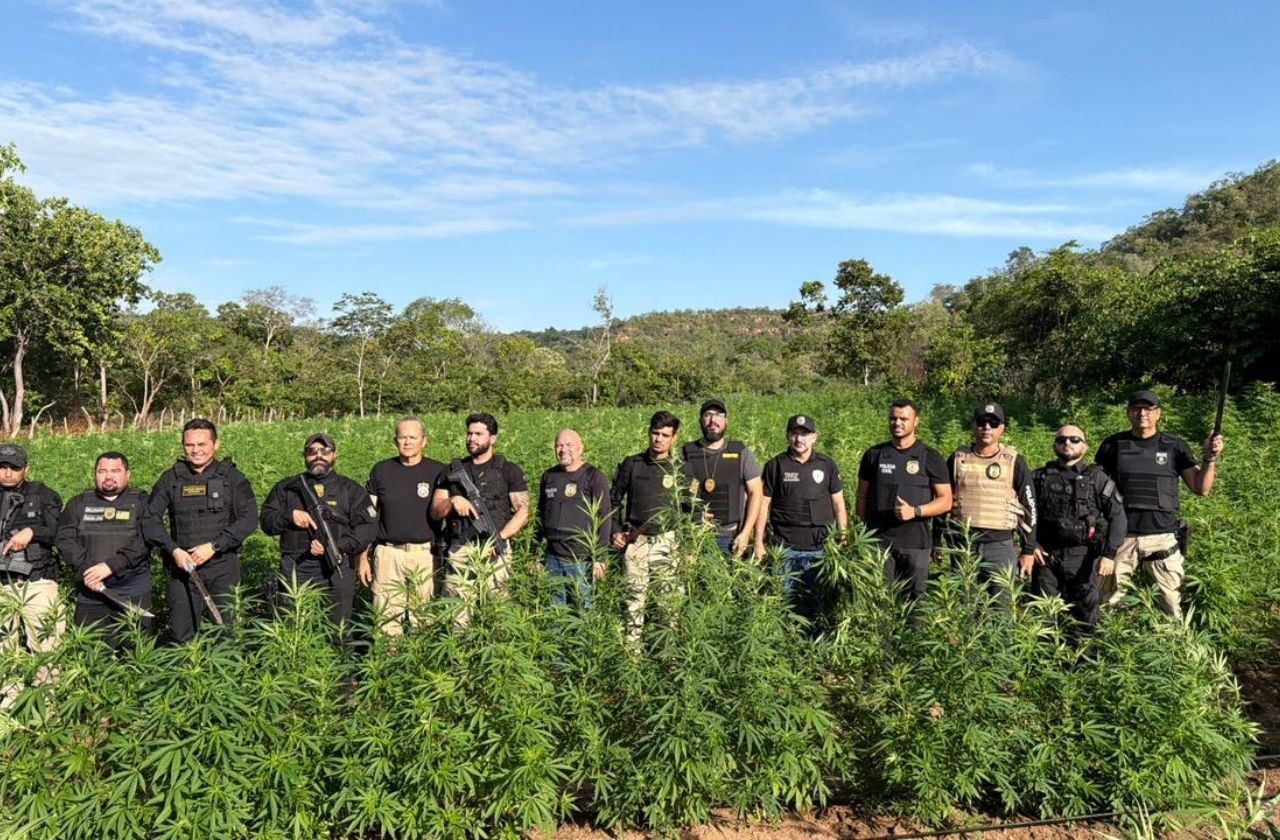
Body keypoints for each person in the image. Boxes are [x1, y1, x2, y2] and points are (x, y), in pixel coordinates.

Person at [1095, 390, 1223, 618]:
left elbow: (1201, 488)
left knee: (1171, 607)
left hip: (1162, 537)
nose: (1142, 413)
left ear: (1158, 414)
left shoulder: (1175, 446)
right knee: (1110, 605)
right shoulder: (1112, 445)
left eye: (1148, 409)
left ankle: (1174, 649)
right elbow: (1097, 491)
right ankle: (1112, 649)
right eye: (1136, 408)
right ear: (1128, 413)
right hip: (1121, 536)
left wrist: (1210, 458)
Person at [144, 418, 258, 642]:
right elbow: (150, 519)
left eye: (202, 444)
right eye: (189, 445)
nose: (195, 450)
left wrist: (215, 546)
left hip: (222, 566)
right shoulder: (171, 478)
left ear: (216, 445)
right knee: (181, 634)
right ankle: (188, 676)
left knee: (228, 633)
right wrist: (173, 550)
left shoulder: (232, 478)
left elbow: (249, 519)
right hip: (183, 568)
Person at [260, 432, 378, 628]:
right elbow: (266, 522)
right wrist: (289, 515)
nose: (318, 455)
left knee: (338, 628)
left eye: (325, 451)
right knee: (294, 626)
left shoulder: (350, 489)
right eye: (312, 451)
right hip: (297, 566)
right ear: (304, 456)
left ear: (334, 455)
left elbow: (367, 527)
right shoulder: (287, 488)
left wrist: (337, 546)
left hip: (338, 566)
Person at [1027, 425, 1126, 633]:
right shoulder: (1039, 478)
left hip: (1083, 560)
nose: (1067, 444)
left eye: (1074, 440)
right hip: (1046, 558)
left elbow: (1117, 517)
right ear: (1054, 445)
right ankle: (1046, 665)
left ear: (1085, 447)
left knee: (1086, 620)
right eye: (1061, 440)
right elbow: (1024, 513)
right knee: (1044, 620)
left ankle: (1085, 664)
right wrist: (1030, 545)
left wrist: (1109, 554)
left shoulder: (1097, 479)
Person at [431, 413, 529, 619]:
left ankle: (498, 651)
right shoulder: (453, 470)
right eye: (469, 433)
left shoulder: (509, 471)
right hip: (461, 549)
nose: (472, 438)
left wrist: (500, 538)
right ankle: (461, 650)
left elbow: (522, 512)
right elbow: (435, 511)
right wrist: (452, 501)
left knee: (498, 612)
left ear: (493, 438)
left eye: (478, 434)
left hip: (494, 550)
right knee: (458, 612)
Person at [755, 414, 848, 626]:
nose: (799, 439)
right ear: (788, 436)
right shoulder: (775, 465)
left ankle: (814, 649)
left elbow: (839, 505)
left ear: (814, 437)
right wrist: (759, 542)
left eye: (804, 434)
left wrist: (843, 536)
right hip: (784, 549)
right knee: (781, 603)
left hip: (820, 547)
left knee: (816, 603)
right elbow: (763, 505)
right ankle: (783, 648)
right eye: (794, 434)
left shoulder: (826, 465)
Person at [611, 410, 696, 642]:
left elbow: (692, 511)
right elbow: (613, 499)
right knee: (633, 602)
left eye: (665, 435)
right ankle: (632, 656)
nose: (658, 439)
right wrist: (616, 530)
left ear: (674, 438)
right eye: (655, 433)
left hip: (667, 542)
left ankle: (668, 658)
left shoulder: (682, 469)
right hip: (635, 541)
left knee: (668, 604)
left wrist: (688, 549)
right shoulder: (632, 464)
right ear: (648, 433)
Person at [56, 452, 156, 645]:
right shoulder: (79, 503)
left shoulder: (142, 502)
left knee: (135, 651)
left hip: (132, 591)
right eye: (102, 471)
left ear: (128, 474)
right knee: (92, 653)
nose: (108, 476)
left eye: (115, 471)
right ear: (94, 474)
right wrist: (87, 569)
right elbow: (64, 538)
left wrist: (111, 566)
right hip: (91, 593)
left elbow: (146, 539)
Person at [856, 399, 952, 600]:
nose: (897, 423)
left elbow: (946, 500)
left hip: (916, 544)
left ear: (916, 421)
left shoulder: (930, 457)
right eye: (893, 418)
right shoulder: (874, 455)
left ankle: (915, 633)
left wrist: (916, 511)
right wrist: (862, 531)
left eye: (903, 419)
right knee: (878, 602)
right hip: (878, 543)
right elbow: (862, 495)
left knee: (915, 605)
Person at [360, 417, 447, 634]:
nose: (407, 442)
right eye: (402, 437)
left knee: (424, 620)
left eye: (412, 437)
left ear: (424, 441)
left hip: (425, 556)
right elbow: (368, 516)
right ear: (395, 440)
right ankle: (389, 666)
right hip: (389, 554)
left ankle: (419, 666)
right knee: (386, 622)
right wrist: (363, 556)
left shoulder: (438, 471)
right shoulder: (381, 470)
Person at [946, 403, 1037, 597]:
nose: (987, 427)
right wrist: (938, 537)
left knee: (1001, 613)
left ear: (1002, 428)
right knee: (963, 609)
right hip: (964, 546)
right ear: (972, 426)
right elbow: (943, 499)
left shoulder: (1014, 461)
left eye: (994, 423)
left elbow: (1030, 507)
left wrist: (1028, 550)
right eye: (982, 422)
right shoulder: (957, 459)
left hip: (1000, 547)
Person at [0, 443, 64, 659]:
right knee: (4, 650)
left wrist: (32, 532)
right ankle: (9, 693)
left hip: (38, 581)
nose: (7, 473)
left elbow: (60, 532)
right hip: (2, 583)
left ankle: (47, 691)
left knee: (46, 646)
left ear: (25, 468)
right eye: (2, 467)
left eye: (14, 467)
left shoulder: (44, 495)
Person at [681, 397, 764, 557]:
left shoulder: (741, 452)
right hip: (695, 538)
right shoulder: (686, 453)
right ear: (700, 420)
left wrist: (746, 533)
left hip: (732, 538)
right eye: (708, 415)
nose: (713, 420)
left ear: (726, 421)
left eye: (718, 415)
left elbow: (756, 493)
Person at [537, 428, 611, 608]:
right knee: (554, 610)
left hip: (581, 559)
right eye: (559, 445)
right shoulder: (549, 476)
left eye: (569, 445)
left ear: (580, 448)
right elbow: (540, 515)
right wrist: (536, 553)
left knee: (583, 610)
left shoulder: (594, 476)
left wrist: (600, 558)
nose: (563, 450)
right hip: (552, 557)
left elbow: (605, 517)